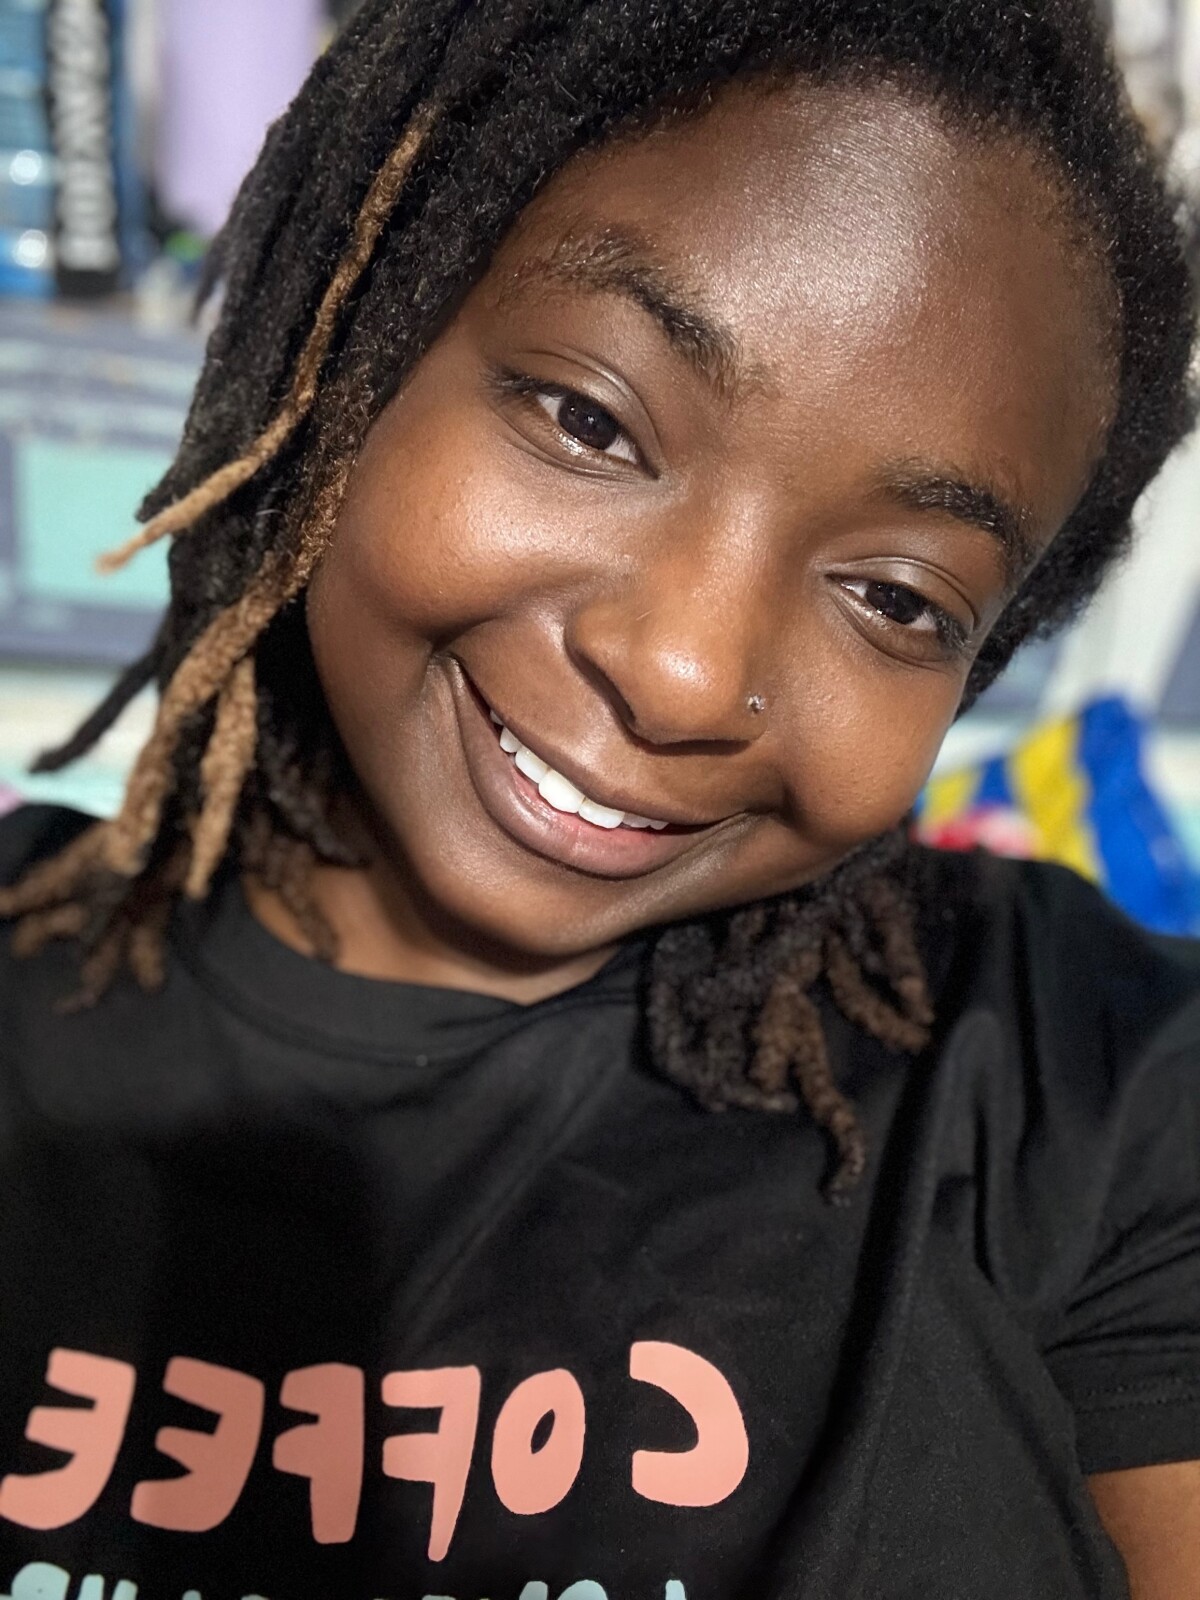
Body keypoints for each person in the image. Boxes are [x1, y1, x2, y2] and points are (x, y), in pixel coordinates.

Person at [0, 0, 1196, 1595]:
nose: (687, 674)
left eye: (899, 597)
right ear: (353, 347)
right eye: (589, 420)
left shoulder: (1099, 1082)